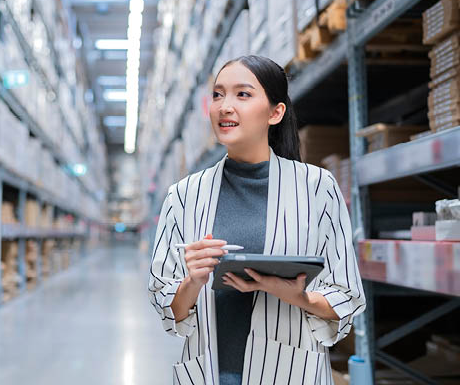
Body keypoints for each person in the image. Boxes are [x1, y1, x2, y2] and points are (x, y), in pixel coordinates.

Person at [148, 55, 366, 385]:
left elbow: (347, 297)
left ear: (275, 112)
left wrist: (297, 296)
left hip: (290, 372)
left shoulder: (317, 187)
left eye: (243, 94)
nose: (224, 106)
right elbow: (171, 311)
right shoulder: (183, 195)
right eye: (218, 95)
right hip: (212, 375)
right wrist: (192, 281)